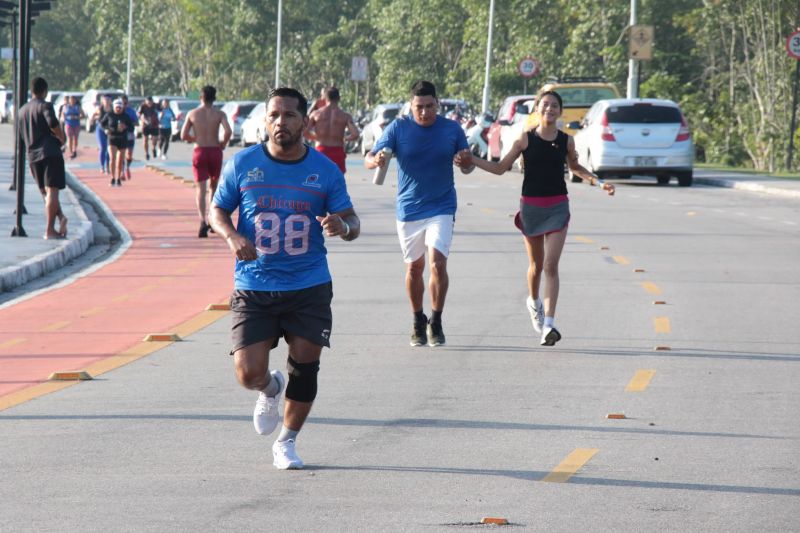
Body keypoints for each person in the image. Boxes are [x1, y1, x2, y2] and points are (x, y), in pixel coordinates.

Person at [209, 87, 360, 470]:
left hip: (307, 284)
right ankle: (270, 388)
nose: (280, 122)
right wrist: (233, 236)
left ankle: (287, 442)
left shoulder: (324, 170)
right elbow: (217, 211)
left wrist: (342, 226)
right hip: (254, 285)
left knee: (306, 362)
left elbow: (353, 221)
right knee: (248, 373)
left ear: (305, 121)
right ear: (265, 120)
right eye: (274, 115)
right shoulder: (242, 164)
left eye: (289, 115)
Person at [459, 90, 615, 346]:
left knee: (551, 266)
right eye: (545, 105)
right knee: (536, 267)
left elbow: (575, 167)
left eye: (555, 106)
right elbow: (500, 168)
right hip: (531, 207)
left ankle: (549, 327)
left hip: (558, 207)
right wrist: (472, 160)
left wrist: (598, 182)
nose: (550, 109)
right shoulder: (525, 140)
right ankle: (533, 302)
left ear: (559, 111)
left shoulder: (567, 141)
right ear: (537, 110)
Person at [365, 80, 474, 347]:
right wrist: (374, 161)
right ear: (411, 105)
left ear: (437, 104)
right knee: (414, 268)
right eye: (418, 107)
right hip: (409, 209)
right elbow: (370, 156)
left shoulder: (452, 129)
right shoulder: (399, 128)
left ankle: (435, 321)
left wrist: (465, 163)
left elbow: (467, 166)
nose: (424, 112)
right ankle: (417, 320)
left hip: (442, 206)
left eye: (429, 106)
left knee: (437, 263)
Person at [17, 77, 68, 239]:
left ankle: (61, 217)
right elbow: (53, 123)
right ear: (44, 91)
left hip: (32, 156)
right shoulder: (45, 105)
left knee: (45, 193)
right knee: (52, 190)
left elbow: (20, 137)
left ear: (32, 91)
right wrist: (61, 138)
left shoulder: (22, 111)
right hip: (50, 153)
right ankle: (49, 230)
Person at [181, 85, 232, 238]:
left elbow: (183, 134)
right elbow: (228, 131)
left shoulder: (193, 113)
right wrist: (223, 143)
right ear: (214, 98)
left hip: (200, 151)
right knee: (213, 188)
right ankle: (212, 220)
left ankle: (202, 220)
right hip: (215, 151)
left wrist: (195, 139)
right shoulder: (219, 114)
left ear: (201, 97)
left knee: (200, 190)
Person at [305, 87, 359, 173]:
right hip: (338, 151)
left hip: (321, 150)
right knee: (337, 180)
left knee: (319, 179)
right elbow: (355, 134)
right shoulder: (345, 116)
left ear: (325, 98)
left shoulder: (316, 114)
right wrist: (345, 138)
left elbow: (304, 131)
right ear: (339, 98)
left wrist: (317, 137)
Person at [100, 98, 134, 187]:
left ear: (122, 107)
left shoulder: (125, 116)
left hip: (122, 139)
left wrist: (125, 127)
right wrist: (106, 130)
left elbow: (132, 127)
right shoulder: (109, 115)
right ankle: (112, 177)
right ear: (114, 107)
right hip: (112, 138)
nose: (118, 109)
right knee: (112, 159)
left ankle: (118, 178)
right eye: (117, 107)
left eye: (120, 107)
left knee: (120, 160)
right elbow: (102, 124)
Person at [91, 95, 112, 174]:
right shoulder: (99, 109)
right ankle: (102, 166)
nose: (106, 101)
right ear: (102, 101)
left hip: (110, 130)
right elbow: (93, 117)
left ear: (110, 101)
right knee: (103, 147)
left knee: (109, 148)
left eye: (108, 100)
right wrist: (94, 118)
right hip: (101, 129)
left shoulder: (112, 109)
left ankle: (107, 166)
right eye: (105, 100)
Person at [60, 95, 84, 159]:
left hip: (76, 124)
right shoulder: (66, 107)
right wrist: (65, 118)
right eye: (71, 100)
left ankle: (74, 150)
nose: (72, 101)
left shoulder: (78, 107)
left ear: (75, 100)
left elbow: (83, 115)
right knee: (69, 138)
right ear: (69, 100)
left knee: (75, 138)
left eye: (73, 99)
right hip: (68, 124)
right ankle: (71, 152)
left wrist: (77, 117)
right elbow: (62, 115)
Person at [121, 95, 138, 180]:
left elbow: (136, 123)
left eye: (125, 103)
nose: (124, 105)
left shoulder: (131, 111)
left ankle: (127, 167)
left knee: (129, 155)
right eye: (122, 103)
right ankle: (122, 172)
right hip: (119, 135)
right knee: (121, 154)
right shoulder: (116, 111)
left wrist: (129, 124)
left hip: (129, 134)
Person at [138, 96, 160, 160]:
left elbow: (161, 110)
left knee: (155, 139)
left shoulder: (156, 105)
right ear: (145, 102)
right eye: (148, 103)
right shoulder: (143, 106)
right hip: (145, 125)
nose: (149, 104)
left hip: (154, 124)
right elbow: (139, 114)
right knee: (145, 139)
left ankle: (153, 148)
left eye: (151, 102)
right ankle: (146, 153)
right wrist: (143, 119)